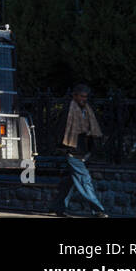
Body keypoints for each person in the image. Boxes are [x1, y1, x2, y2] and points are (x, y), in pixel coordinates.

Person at [53, 83, 107, 218]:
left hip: (82, 152)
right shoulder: (69, 111)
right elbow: (60, 131)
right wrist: (64, 148)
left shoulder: (87, 110)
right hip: (72, 152)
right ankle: (98, 210)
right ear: (75, 96)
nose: (84, 99)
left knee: (68, 183)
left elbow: (91, 131)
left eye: (86, 97)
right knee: (84, 180)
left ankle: (59, 208)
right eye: (82, 96)